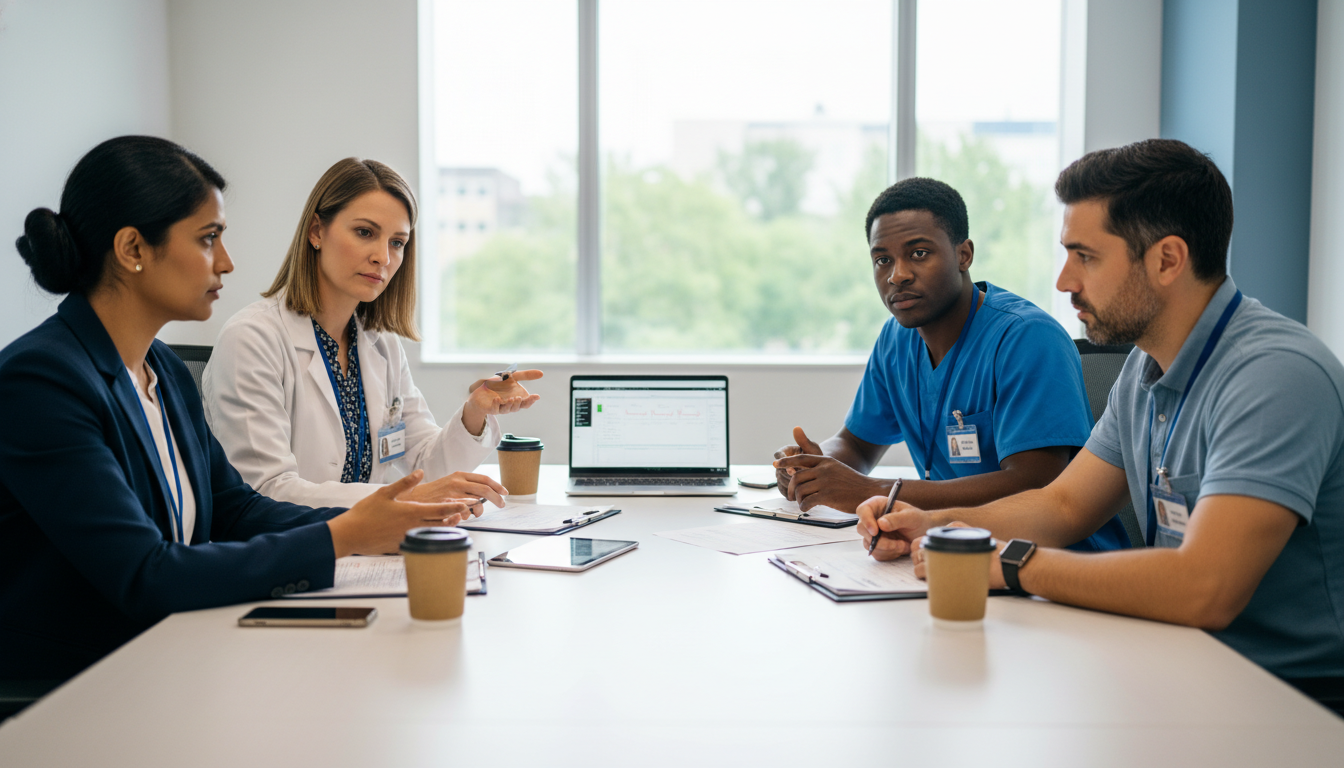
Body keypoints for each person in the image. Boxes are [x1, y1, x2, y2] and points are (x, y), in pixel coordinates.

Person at [862, 139, 1344, 712]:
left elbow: (1205, 587)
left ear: (1166, 260)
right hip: (1181, 667)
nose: (1064, 282)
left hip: (1293, 701)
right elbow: (1063, 506)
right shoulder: (1145, 367)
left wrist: (1012, 564)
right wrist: (934, 525)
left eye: (1084, 257)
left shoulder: (1273, 375)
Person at [0, 137, 472, 681]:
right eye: (208, 239)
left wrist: (368, 525)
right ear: (132, 249)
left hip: (172, 648)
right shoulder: (42, 380)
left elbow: (237, 511)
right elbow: (144, 574)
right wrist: (345, 535)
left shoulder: (162, 369)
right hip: (81, 682)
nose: (226, 262)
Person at [774, 177, 1128, 552]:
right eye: (882, 260)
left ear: (964, 255)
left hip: (1055, 560)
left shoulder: (1027, 337)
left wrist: (875, 491)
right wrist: (815, 468)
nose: (897, 275)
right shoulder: (896, 340)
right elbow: (856, 445)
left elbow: (1034, 483)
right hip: (949, 552)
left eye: (918, 253)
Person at [204, 158, 542, 509]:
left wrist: (475, 412)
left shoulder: (381, 344)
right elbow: (266, 491)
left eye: (397, 242)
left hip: (366, 540)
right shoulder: (252, 339)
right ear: (316, 231)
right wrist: (407, 498)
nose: (383, 257)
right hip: (290, 541)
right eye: (365, 232)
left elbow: (427, 468)